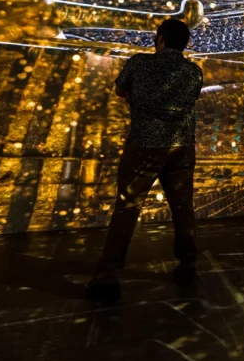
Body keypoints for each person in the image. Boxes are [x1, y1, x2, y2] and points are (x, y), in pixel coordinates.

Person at [87, 18, 204, 300]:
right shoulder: (193, 72)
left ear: (160, 38)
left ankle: (108, 274)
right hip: (181, 147)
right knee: (182, 208)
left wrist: (136, 97)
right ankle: (188, 263)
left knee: (127, 209)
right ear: (185, 43)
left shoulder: (139, 63)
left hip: (144, 146)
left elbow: (120, 90)